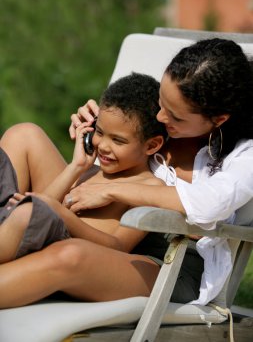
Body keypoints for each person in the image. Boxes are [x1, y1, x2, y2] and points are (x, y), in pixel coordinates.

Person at [0, 38, 252, 310]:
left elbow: (210, 205)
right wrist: (99, 124)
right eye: (161, 102)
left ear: (218, 119)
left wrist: (112, 190)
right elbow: (124, 123)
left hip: (165, 259)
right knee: (24, 135)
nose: (161, 118)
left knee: (69, 256)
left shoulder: (244, 156)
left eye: (175, 117)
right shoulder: (158, 123)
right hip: (105, 217)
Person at [0, 72, 166, 265]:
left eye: (118, 140)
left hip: (71, 248)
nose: (103, 146)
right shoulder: (89, 172)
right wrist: (76, 167)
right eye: (99, 132)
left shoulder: (150, 187)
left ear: (152, 145)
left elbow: (120, 247)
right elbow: (44, 203)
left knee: (25, 215)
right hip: (26, 227)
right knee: (24, 132)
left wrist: (61, 213)